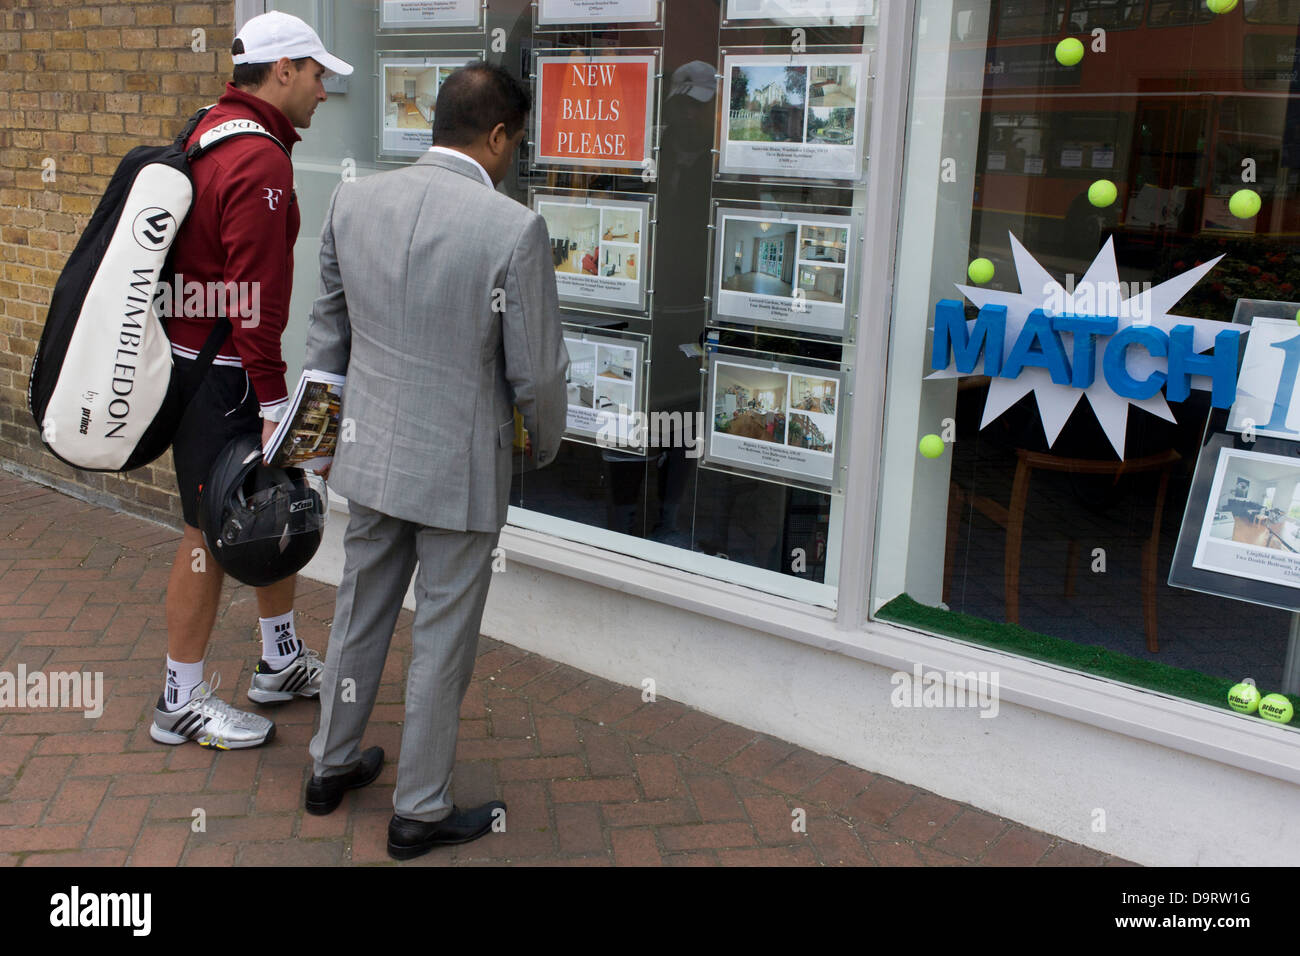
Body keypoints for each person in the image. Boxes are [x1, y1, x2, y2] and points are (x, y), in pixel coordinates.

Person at [301, 61, 569, 859]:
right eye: (515, 142)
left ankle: (329, 763)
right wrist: (545, 444)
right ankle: (417, 808)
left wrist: (319, 442)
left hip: (370, 452)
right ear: (496, 136)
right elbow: (539, 372)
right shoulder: (511, 228)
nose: (513, 156)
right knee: (442, 640)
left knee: (358, 612)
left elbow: (327, 335)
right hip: (459, 468)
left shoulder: (355, 199)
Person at [150, 12, 353, 750]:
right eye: (318, 73)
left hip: (198, 364)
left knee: (277, 504)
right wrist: (273, 403)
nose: (324, 90)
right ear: (285, 70)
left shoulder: (209, 128)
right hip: (230, 378)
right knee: (204, 534)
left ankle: (279, 658)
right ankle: (180, 698)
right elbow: (251, 302)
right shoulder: (260, 160)